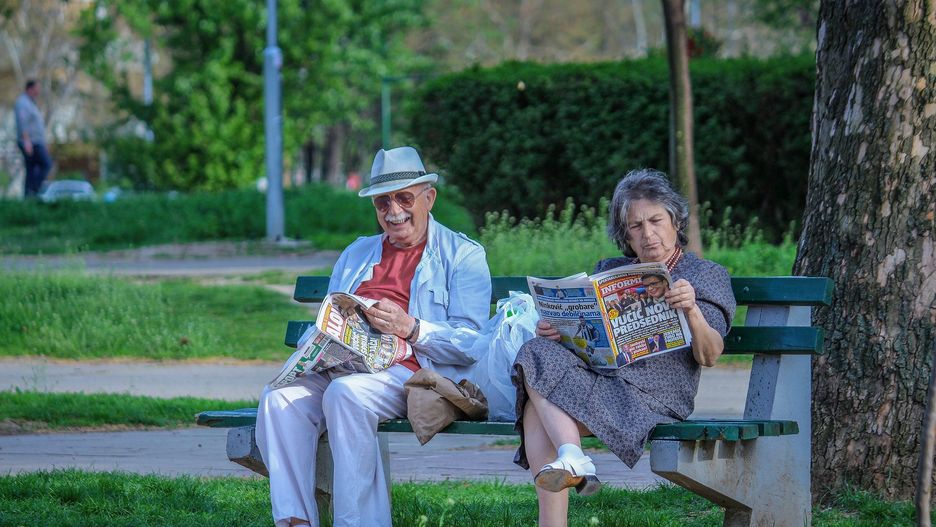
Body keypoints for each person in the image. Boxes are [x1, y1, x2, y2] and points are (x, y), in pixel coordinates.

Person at [255, 146, 492, 527]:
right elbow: (330, 314)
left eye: (404, 198)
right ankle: (296, 521)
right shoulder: (357, 253)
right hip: (346, 365)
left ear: (428, 198)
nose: (393, 210)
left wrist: (410, 327)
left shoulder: (462, 255)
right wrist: (319, 344)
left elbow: (472, 342)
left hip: (412, 372)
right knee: (278, 398)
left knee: (346, 395)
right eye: (383, 202)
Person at [511, 168, 736, 527]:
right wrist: (560, 333)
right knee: (534, 351)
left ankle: (563, 489)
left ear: (675, 221)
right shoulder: (610, 270)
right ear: (624, 234)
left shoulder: (704, 275)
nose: (648, 234)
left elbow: (710, 355)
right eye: (635, 226)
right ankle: (572, 457)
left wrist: (691, 309)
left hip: (655, 398)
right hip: (601, 382)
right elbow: (585, 342)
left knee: (536, 409)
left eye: (656, 220)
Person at [14, 80, 52, 197]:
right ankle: (34, 190)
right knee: (46, 164)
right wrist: (26, 141)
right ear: (30, 88)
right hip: (31, 142)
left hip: (36, 141)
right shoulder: (22, 102)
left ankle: (28, 196)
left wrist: (44, 142)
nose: (38, 91)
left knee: (31, 170)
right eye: (37, 88)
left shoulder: (31, 103)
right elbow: (22, 123)